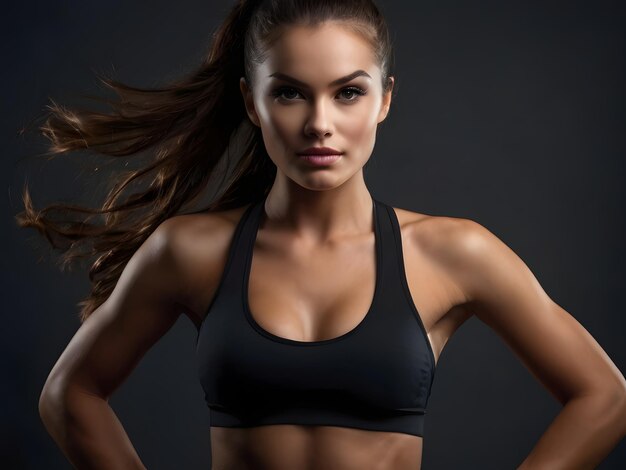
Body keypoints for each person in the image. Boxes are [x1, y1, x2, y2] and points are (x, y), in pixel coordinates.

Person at [16, 0, 626, 468]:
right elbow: (70, 395)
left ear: (383, 101)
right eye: (288, 93)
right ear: (252, 103)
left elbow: (606, 396)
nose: (319, 124)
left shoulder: (450, 252)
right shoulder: (191, 251)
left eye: (349, 92)